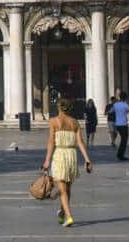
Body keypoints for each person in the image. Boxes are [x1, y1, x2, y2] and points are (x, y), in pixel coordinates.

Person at [42, 97, 92, 228]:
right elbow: (80, 142)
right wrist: (87, 159)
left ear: (59, 107)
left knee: (62, 190)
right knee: (67, 189)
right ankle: (62, 212)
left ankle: (69, 217)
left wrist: (47, 160)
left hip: (60, 155)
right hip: (71, 156)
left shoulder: (53, 121)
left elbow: (51, 142)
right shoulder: (74, 122)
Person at [112, 92, 129, 161]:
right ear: (125, 98)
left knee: (123, 139)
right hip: (123, 125)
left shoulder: (115, 104)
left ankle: (120, 154)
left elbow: (110, 111)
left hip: (117, 124)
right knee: (124, 140)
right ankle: (120, 155)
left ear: (120, 97)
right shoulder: (125, 105)